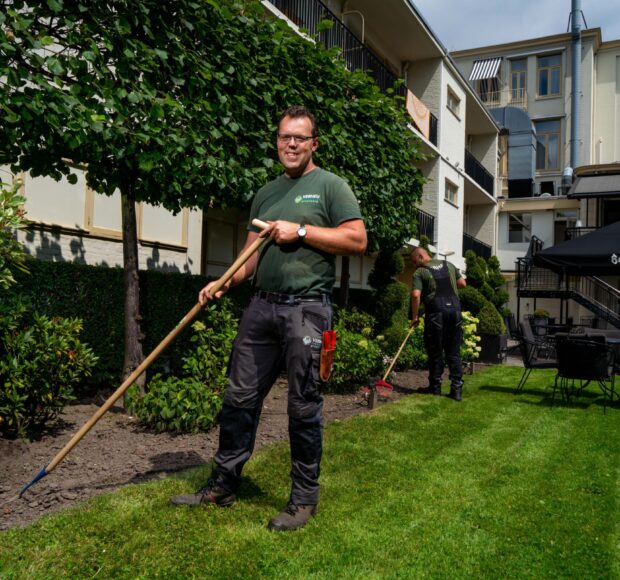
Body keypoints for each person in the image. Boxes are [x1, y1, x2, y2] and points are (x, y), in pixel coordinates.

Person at [170, 106, 367, 531]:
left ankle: (302, 501)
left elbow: (356, 239)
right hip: (261, 308)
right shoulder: (265, 193)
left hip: (308, 311)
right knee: (238, 399)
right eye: (284, 137)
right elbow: (248, 258)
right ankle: (222, 485)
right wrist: (226, 281)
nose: (291, 144)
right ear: (277, 141)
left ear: (314, 143)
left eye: (299, 137)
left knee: (303, 406)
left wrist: (300, 231)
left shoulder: (331, 186)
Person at [410, 246, 467, 400]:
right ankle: (456, 390)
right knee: (453, 351)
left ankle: (435, 387)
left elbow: (416, 295)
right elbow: (462, 284)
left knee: (435, 350)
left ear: (421, 257)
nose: (415, 265)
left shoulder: (420, 272)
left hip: (436, 313)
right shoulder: (449, 265)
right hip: (455, 311)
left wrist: (415, 317)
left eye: (415, 262)